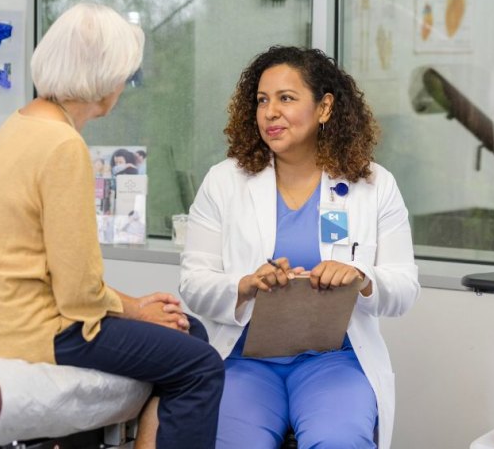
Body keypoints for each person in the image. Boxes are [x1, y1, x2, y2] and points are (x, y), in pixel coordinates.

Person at [0, 2, 224, 449]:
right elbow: (78, 293)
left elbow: (64, 275)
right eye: (124, 75)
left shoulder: (19, 126)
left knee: (188, 330)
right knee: (202, 365)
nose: (123, 86)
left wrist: (140, 306)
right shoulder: (63, 146)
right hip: (27, 329)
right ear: (104, 80)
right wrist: (137, 309)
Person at [179, 46, 419, 449]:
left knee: (339, 442)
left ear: (325, 108)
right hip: (245, 361)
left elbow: (404, 289)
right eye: (261, 100)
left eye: (286, 98)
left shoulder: (374, 185)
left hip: (335, 360)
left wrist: (362, 277)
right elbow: (193, 283)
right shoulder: (224, 182)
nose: (270, 112)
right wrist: (245, 284)